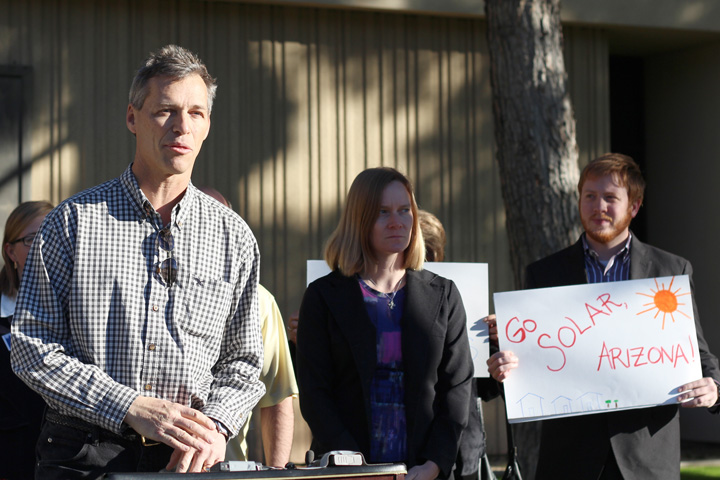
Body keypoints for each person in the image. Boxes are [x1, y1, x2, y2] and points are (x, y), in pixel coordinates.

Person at [11, 45, 265, 478]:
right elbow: (31, 347)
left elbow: (242, 363)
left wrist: (216, 428)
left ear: (208, 125)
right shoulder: (72, 223)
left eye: (196, 113)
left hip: (188, 459)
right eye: (165, 110)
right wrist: (129, 406)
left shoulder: (234, 237)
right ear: (133, 117)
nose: (181, 126)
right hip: (84, 454)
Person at [487, 153, 720, 480]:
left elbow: (697, 350)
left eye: (611, 198)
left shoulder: (670, 271)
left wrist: (715, 388)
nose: (599, 207)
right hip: (570, 461)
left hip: (647, 461)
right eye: (590, 197)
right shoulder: (545, 274)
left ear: (634, 206)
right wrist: (505, 365)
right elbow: (530, 369)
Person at [295, 167, 474, 480]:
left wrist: (434, 464)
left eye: (405, 210)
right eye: (382, 212)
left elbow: (457, 389)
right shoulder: (323, 296)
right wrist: (353, 466)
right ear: (360, 219)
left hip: (424, 470)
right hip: (347, 471)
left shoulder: (443, 293)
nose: (397, 221)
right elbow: (314, 393)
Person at [199, 186, 298, 467]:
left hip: (226, 470)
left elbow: (276, 399)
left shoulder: (259, 301)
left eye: (224, 225)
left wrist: (277, 473)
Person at [417, 209, 498, 480]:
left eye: (429, 254)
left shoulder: (457, 294)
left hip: (463, 454)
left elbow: (484, 387)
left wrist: (496, 345)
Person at [0, 201, 53, 479]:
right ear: (11, 251)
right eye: (33, 239)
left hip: (66, 456)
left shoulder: (83, 308)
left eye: (51, 236)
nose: (44, 247)